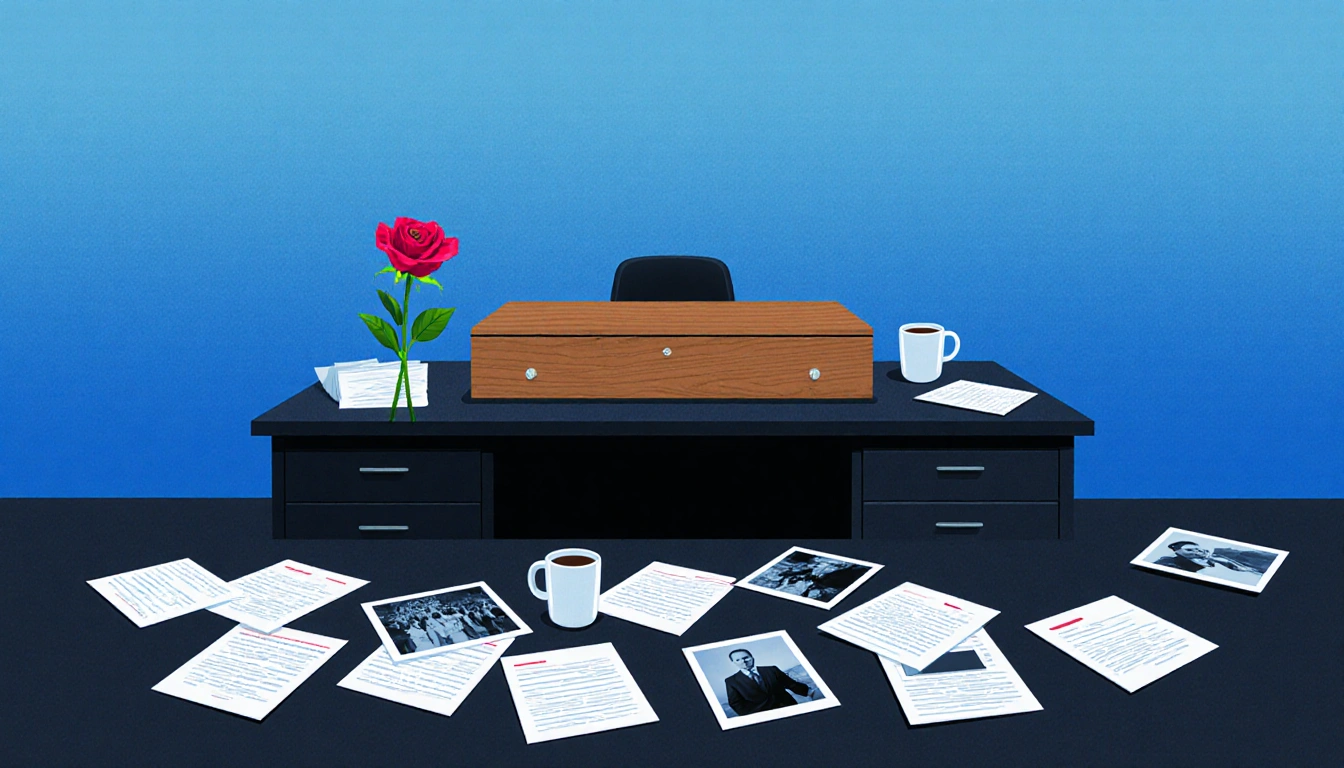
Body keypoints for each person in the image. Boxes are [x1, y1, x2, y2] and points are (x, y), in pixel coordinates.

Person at [723, 649, 814, 716]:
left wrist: (809, 692)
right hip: (762, 716)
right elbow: (736, 703)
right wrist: (752, 717)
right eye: (738, 660)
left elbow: (791, 684)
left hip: (788, 707)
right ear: (733, 662)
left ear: (752, 657)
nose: (743, 661)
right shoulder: (731, 681)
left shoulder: (771, 669)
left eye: (746, 657)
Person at [1154, 541, 1261, 574]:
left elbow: (1238, 568)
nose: (1197, 552)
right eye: (1190, 550)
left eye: (1198, 549)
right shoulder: (1168, 561)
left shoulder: (1212, 559)